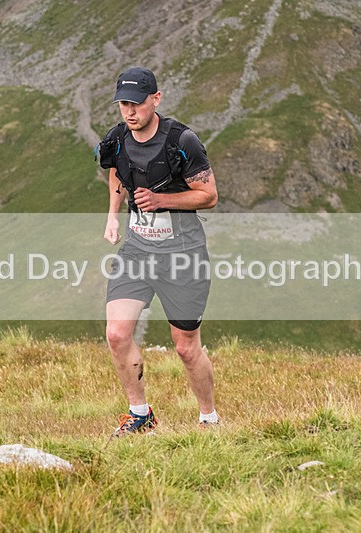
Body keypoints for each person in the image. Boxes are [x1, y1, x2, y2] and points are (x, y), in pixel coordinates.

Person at [96, 66, 220, 436]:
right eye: (123, 104)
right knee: (117, 333)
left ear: (156, 99)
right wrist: (113, 217)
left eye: (136, 103)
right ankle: (140, 415)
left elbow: (209, 196)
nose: (129, 111)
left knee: (185, 348)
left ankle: (209, 418)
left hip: (183, 254)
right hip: (137, 250)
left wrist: (160, 199)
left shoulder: (183, 141)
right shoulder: (117, 139)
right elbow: (117, 173)